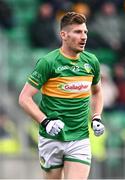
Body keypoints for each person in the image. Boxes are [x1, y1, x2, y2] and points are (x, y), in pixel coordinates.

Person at [19, 11, 105, 179]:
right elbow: (24, 98)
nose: (84, 36)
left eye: (85, 32)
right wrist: (45, 122)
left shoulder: (91, 61)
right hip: (51, 138)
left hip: (79, 137)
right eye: (78, 32)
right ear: (63, 35)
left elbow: (97, 91)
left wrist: (96, 117)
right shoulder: (48, 62)